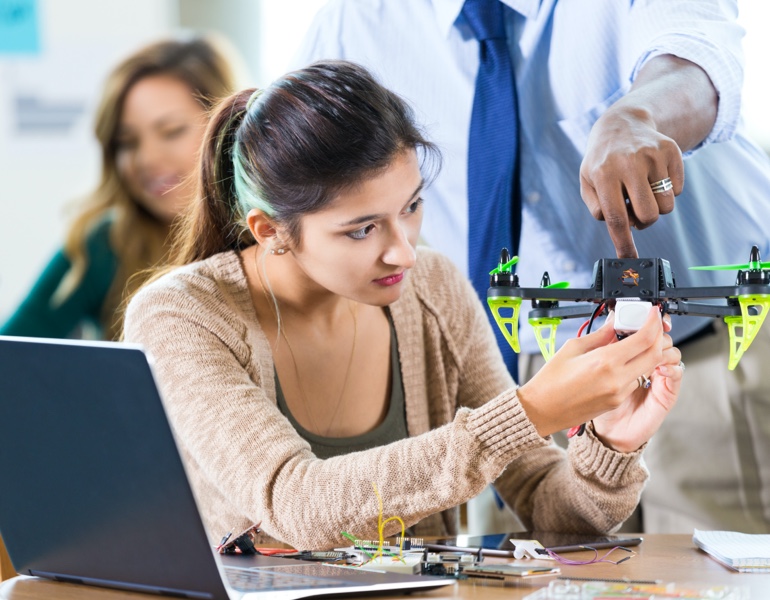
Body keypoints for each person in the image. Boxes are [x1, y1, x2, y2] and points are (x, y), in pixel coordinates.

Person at [123, 60, 683, 549]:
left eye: (411, 206)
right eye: (363, 229)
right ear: (271, 230)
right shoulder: (180, 317)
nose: (404, 252)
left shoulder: (433, 288)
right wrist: (531, 411)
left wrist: (610, 444)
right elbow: (299, 507)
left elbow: (549, 509)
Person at [293, 0, 770, 534]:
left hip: (704, 344)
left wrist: (639, 114)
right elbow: (303, 185)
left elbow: (700, 61)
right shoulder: (351, 23)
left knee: (715, 567)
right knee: (533, 568)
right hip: (507, 370)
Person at [0, 36, 239, 340]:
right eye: (126, 142)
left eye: (171, 131)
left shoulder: (278, 237)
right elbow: (12, 356)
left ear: (227, 127)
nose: (146, 159)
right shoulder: (104, 245)